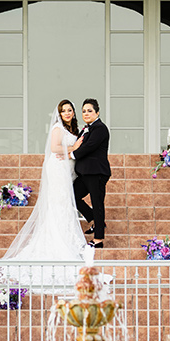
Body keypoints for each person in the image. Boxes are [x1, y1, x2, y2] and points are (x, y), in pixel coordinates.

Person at [0, 100, 89, 289]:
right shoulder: (58, 128)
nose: (67, 113)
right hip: (58, 169)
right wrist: (74, 148)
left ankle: (65, 236)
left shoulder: (74, 130)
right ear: (59, 114)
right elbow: (55, 148)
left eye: (69, 110)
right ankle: (57, 240)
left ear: (73, 113)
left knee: (65, 204)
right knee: (59, 203)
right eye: (63, 111)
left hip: (67, 171)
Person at [72, 98, 111, 248]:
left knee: (97, 203)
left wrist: (72, 155)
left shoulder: (100, 128)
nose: (86, 114)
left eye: (90, 111)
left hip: (97, 173)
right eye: (84, 111)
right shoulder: (87, 128)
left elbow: (89, 147)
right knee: (73, 195)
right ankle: (95, 219)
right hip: (85, 173)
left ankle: (98, 239)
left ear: (97, 112)